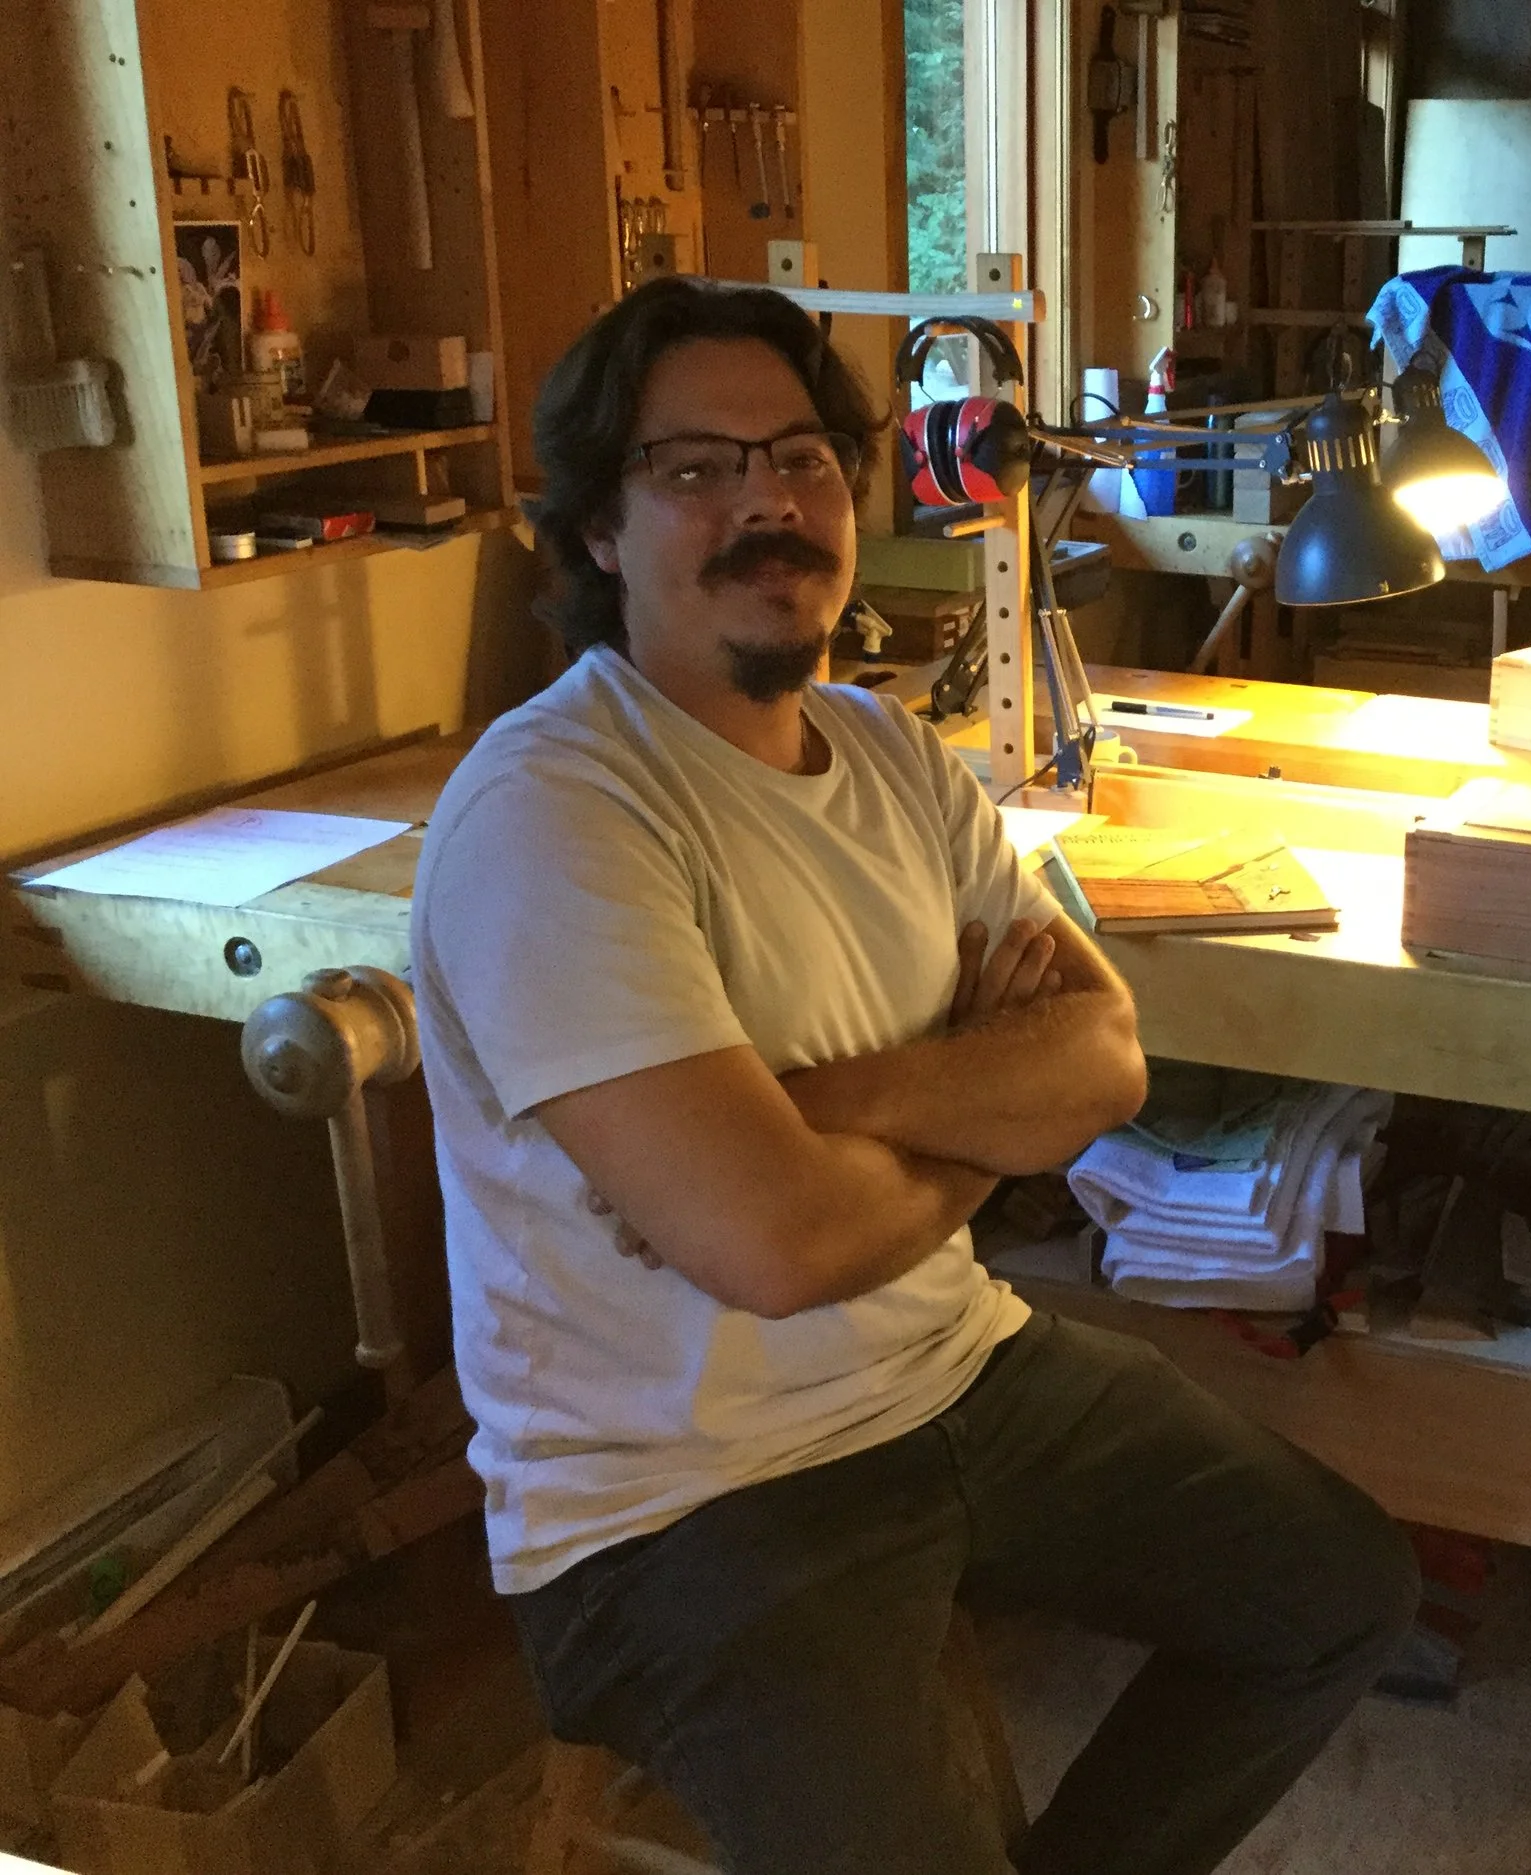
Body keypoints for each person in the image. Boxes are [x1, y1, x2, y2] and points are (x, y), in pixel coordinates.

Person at [411, 276, 1418, 1875]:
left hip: (954, 1364)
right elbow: (779, 1246)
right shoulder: (557, 812)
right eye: (696, 468)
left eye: (802, 458)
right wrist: (982, 1109)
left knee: (1339, 1592)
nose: (768, 502)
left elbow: (1104, 1056)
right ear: (600, 528)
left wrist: (819, 1109)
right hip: (679, 1497)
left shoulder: (891, 755)